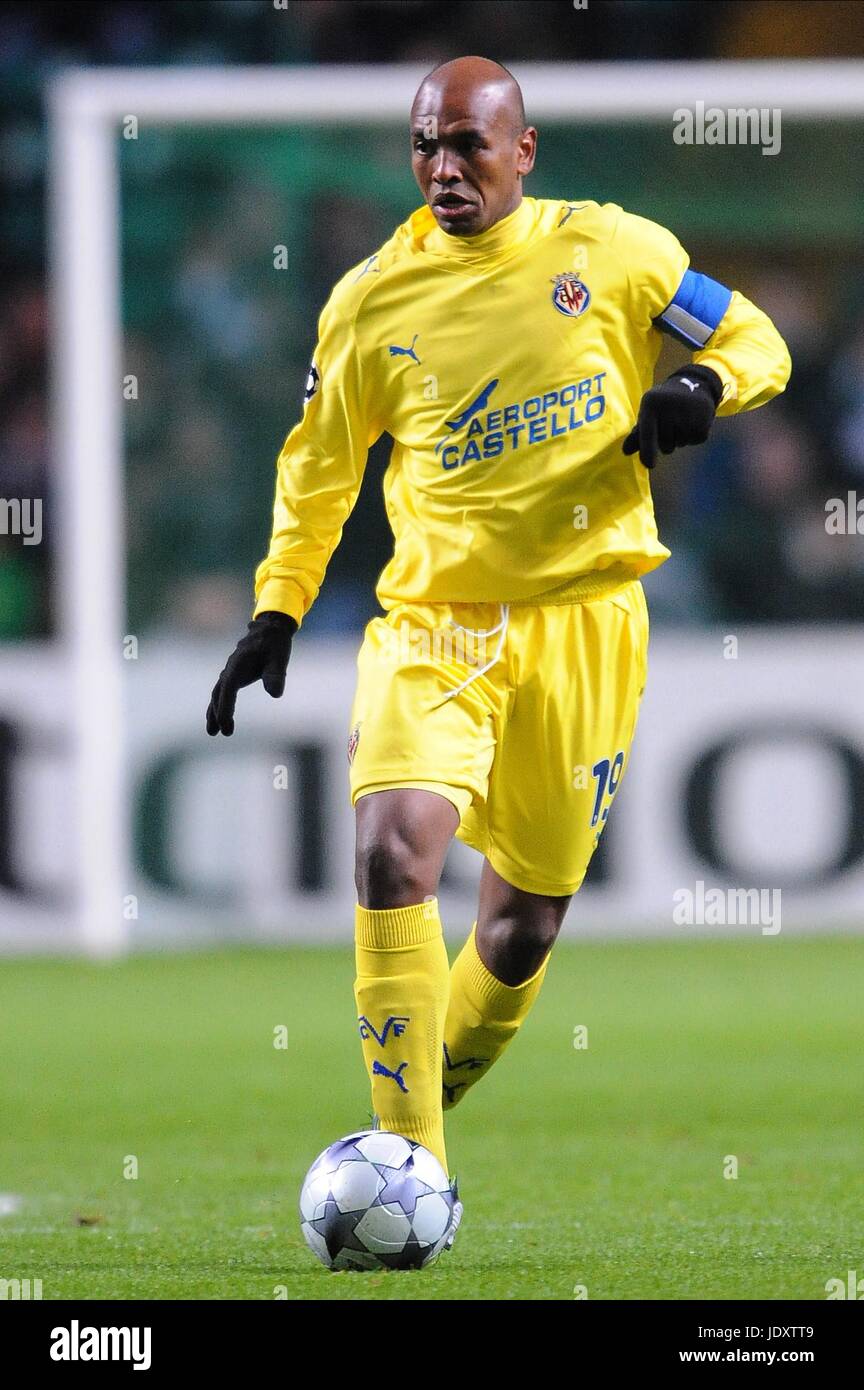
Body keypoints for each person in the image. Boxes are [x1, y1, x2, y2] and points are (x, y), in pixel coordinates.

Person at [206, 56, 791, 1249]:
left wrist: (703, 382)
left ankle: (402, 1137)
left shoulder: (615, 254)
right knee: (391, 848)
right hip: (437, 624)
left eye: (469, 144)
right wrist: (278, 607)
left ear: (522, 151)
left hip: (585, 625)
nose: (443, 167)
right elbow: (318, 471)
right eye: (425, 145)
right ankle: (410, 1166)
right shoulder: (371, 300)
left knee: (519, 929)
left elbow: (760, 339)